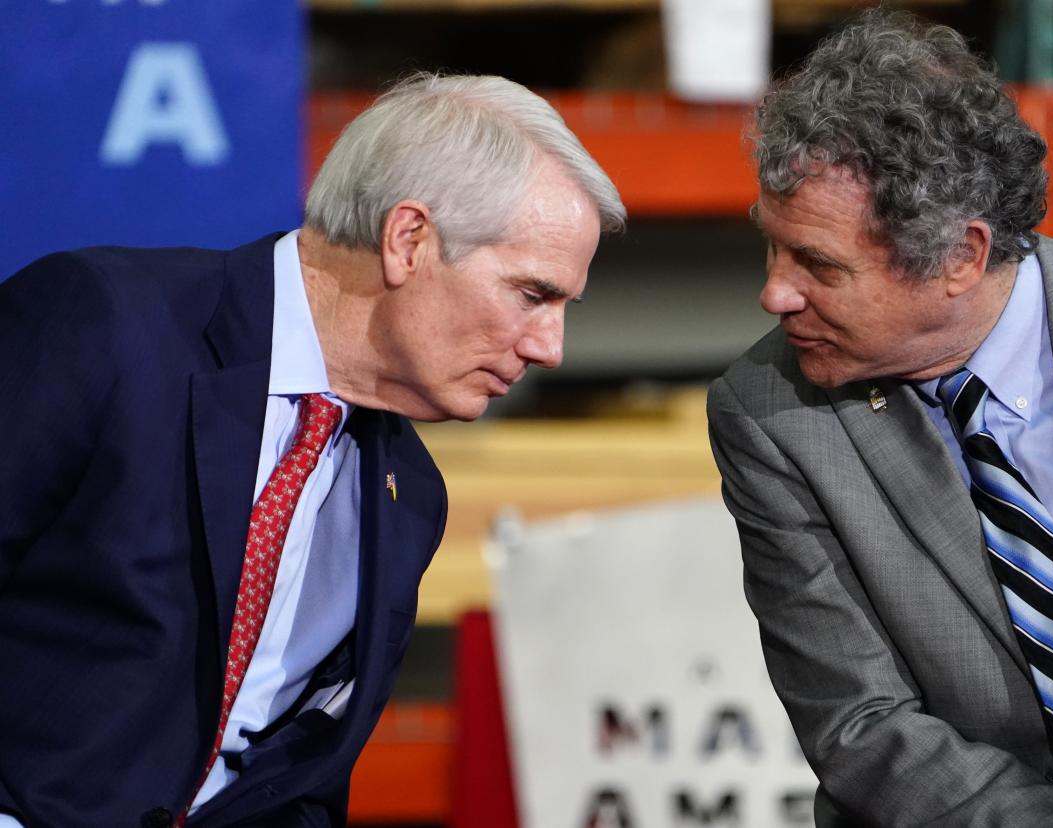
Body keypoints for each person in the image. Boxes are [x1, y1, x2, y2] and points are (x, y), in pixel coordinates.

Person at [0, 73, 624, 828]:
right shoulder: (105, 327)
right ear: (409, 240)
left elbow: (296, 779)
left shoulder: (409, 496)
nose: (550, 348)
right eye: (532, 294)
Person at [708, 10, 1053, 827]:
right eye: (772, 248)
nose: (775, 293)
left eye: (818, 264)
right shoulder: (774, 412)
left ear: (962, 256)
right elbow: (864, 729)